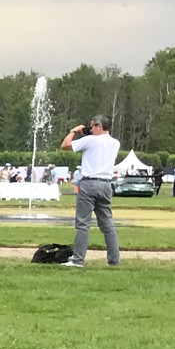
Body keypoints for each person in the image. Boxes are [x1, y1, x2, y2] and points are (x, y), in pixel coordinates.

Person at [59, 115, 120, 268]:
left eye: (92, 127)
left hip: (89, 183)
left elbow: (65, 145)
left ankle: (78, 259)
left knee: (83, 223)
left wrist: (74, 130)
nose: (90, 129)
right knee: (107, 224)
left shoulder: (90, 140)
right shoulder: (115, 143)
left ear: (99, 126)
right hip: (106, 184)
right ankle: (114, 260)